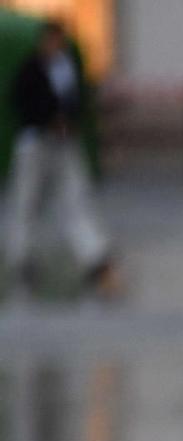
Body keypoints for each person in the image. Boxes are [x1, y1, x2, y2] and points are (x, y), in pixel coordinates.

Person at [5, 21, 115, 296]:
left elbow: (76, 102)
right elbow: (21, 102)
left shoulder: (65, 68)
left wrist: (68, 123)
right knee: (26, 201)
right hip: (36, 142)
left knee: (74, 198)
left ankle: (93, 255)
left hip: (63, 143)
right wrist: (47, 121)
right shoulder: (32, 68)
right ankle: (21, 257)